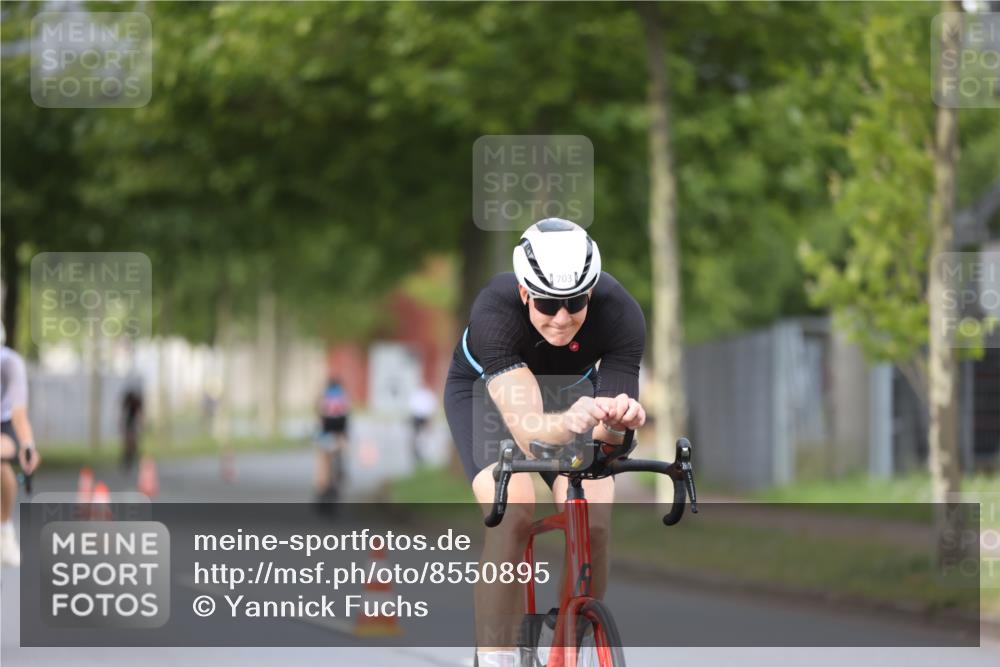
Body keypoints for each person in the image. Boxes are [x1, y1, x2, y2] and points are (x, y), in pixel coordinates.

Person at [444, 219, 647, 665]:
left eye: (575, 303)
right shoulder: (494, 313)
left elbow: (611, 443)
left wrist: (618, 423)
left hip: (571, 392)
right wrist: (575, 420)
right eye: (547, 303)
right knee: (515, 514)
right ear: (523, 293)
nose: (561, 317)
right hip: (490, 400)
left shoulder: (621, 315)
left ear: (591, 293)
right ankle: (496, 657)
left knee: (594, 522)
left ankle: (566, 648)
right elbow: (530, 433)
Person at [1, 323, 42, 567]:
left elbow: (19, 415)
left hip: (3, 423)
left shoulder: (10, 364)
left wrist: (28, 445)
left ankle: (4, 530)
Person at [314, 377, 350, 503]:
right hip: (339, 429)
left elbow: (319, 415)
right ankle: (341, 471)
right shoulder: (342, 394)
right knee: (342, 449)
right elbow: (346, 415)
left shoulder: (324, 395)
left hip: (326, 430)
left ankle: (321, 485)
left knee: (323, 459)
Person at [408, 383, 436, 465]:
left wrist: (430, 419)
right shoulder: (418, 394)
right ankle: (415, 452)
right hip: (417, 417)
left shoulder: (428, 395)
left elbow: (431, 406)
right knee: (416, 435)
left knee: (424, 436)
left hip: (425, 417)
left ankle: (423, 452)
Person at [120, 380, 145, 470]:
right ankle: (127, 458)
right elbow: (123, 412)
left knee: (134, 441)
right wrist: (122, 424)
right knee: (128, 441)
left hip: (133, 421)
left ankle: (133, 456)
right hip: (128, 421)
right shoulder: (128, 398)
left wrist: (141, 425)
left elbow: (140, 413)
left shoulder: (138, 400)